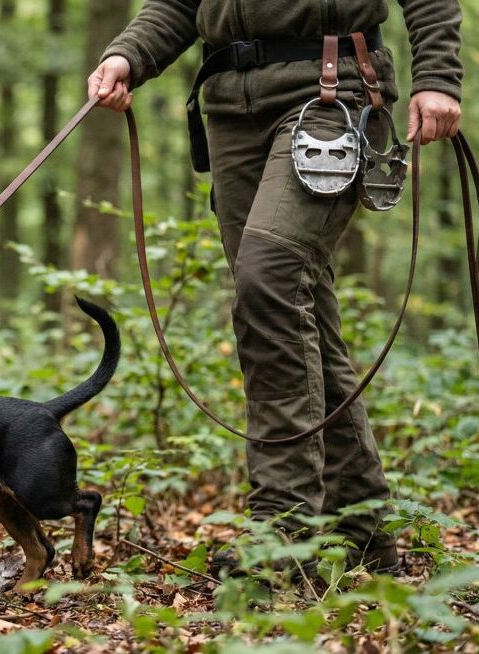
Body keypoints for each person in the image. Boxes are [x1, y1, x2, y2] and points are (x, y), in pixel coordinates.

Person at [87, 0, 462, 574]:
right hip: (229, 110)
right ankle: (363, 536)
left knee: (268, 282)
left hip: (330, 92)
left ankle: (282, 529)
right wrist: (127, 54)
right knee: (293, 311)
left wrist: (437, 77)